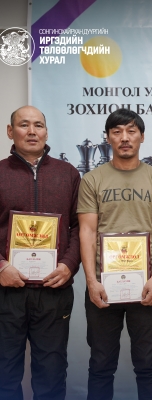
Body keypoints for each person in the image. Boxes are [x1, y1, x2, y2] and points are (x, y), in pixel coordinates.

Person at [78, 108, 152, 400]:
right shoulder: (92, 179)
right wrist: (91, 282)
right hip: (103, 286)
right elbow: (87, 231)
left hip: (146, 285)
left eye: (131, 131)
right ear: (108, 138)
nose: (125, 138)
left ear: (142, 136)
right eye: (117, 132)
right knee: (101, 364)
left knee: (148, 363)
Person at [0, 106, 81, 400]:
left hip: (53, 290)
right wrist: (0, 267)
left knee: (51, 375)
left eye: (38, 125)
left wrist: (69, 265)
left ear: (47, 132)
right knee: (4, 374)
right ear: (11, 132)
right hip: (6, 290)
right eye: (24, 125)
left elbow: (79, 227)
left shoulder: (68, 174)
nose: (32, 131)